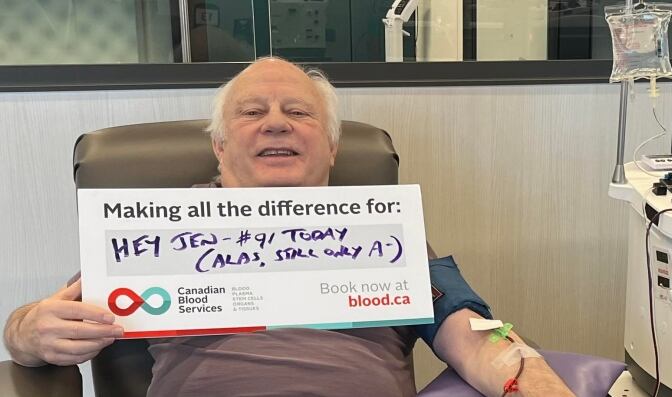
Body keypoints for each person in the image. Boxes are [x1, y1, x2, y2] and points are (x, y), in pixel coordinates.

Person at [3, 57, 574, 397]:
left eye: (298, 113)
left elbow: (473, 330)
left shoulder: (380, 229)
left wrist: (533, 378)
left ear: (329, 146)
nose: (276, 123)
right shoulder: (159, 228)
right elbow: (34, 325)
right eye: (252, 113)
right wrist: (29, 331)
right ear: (220, 147)